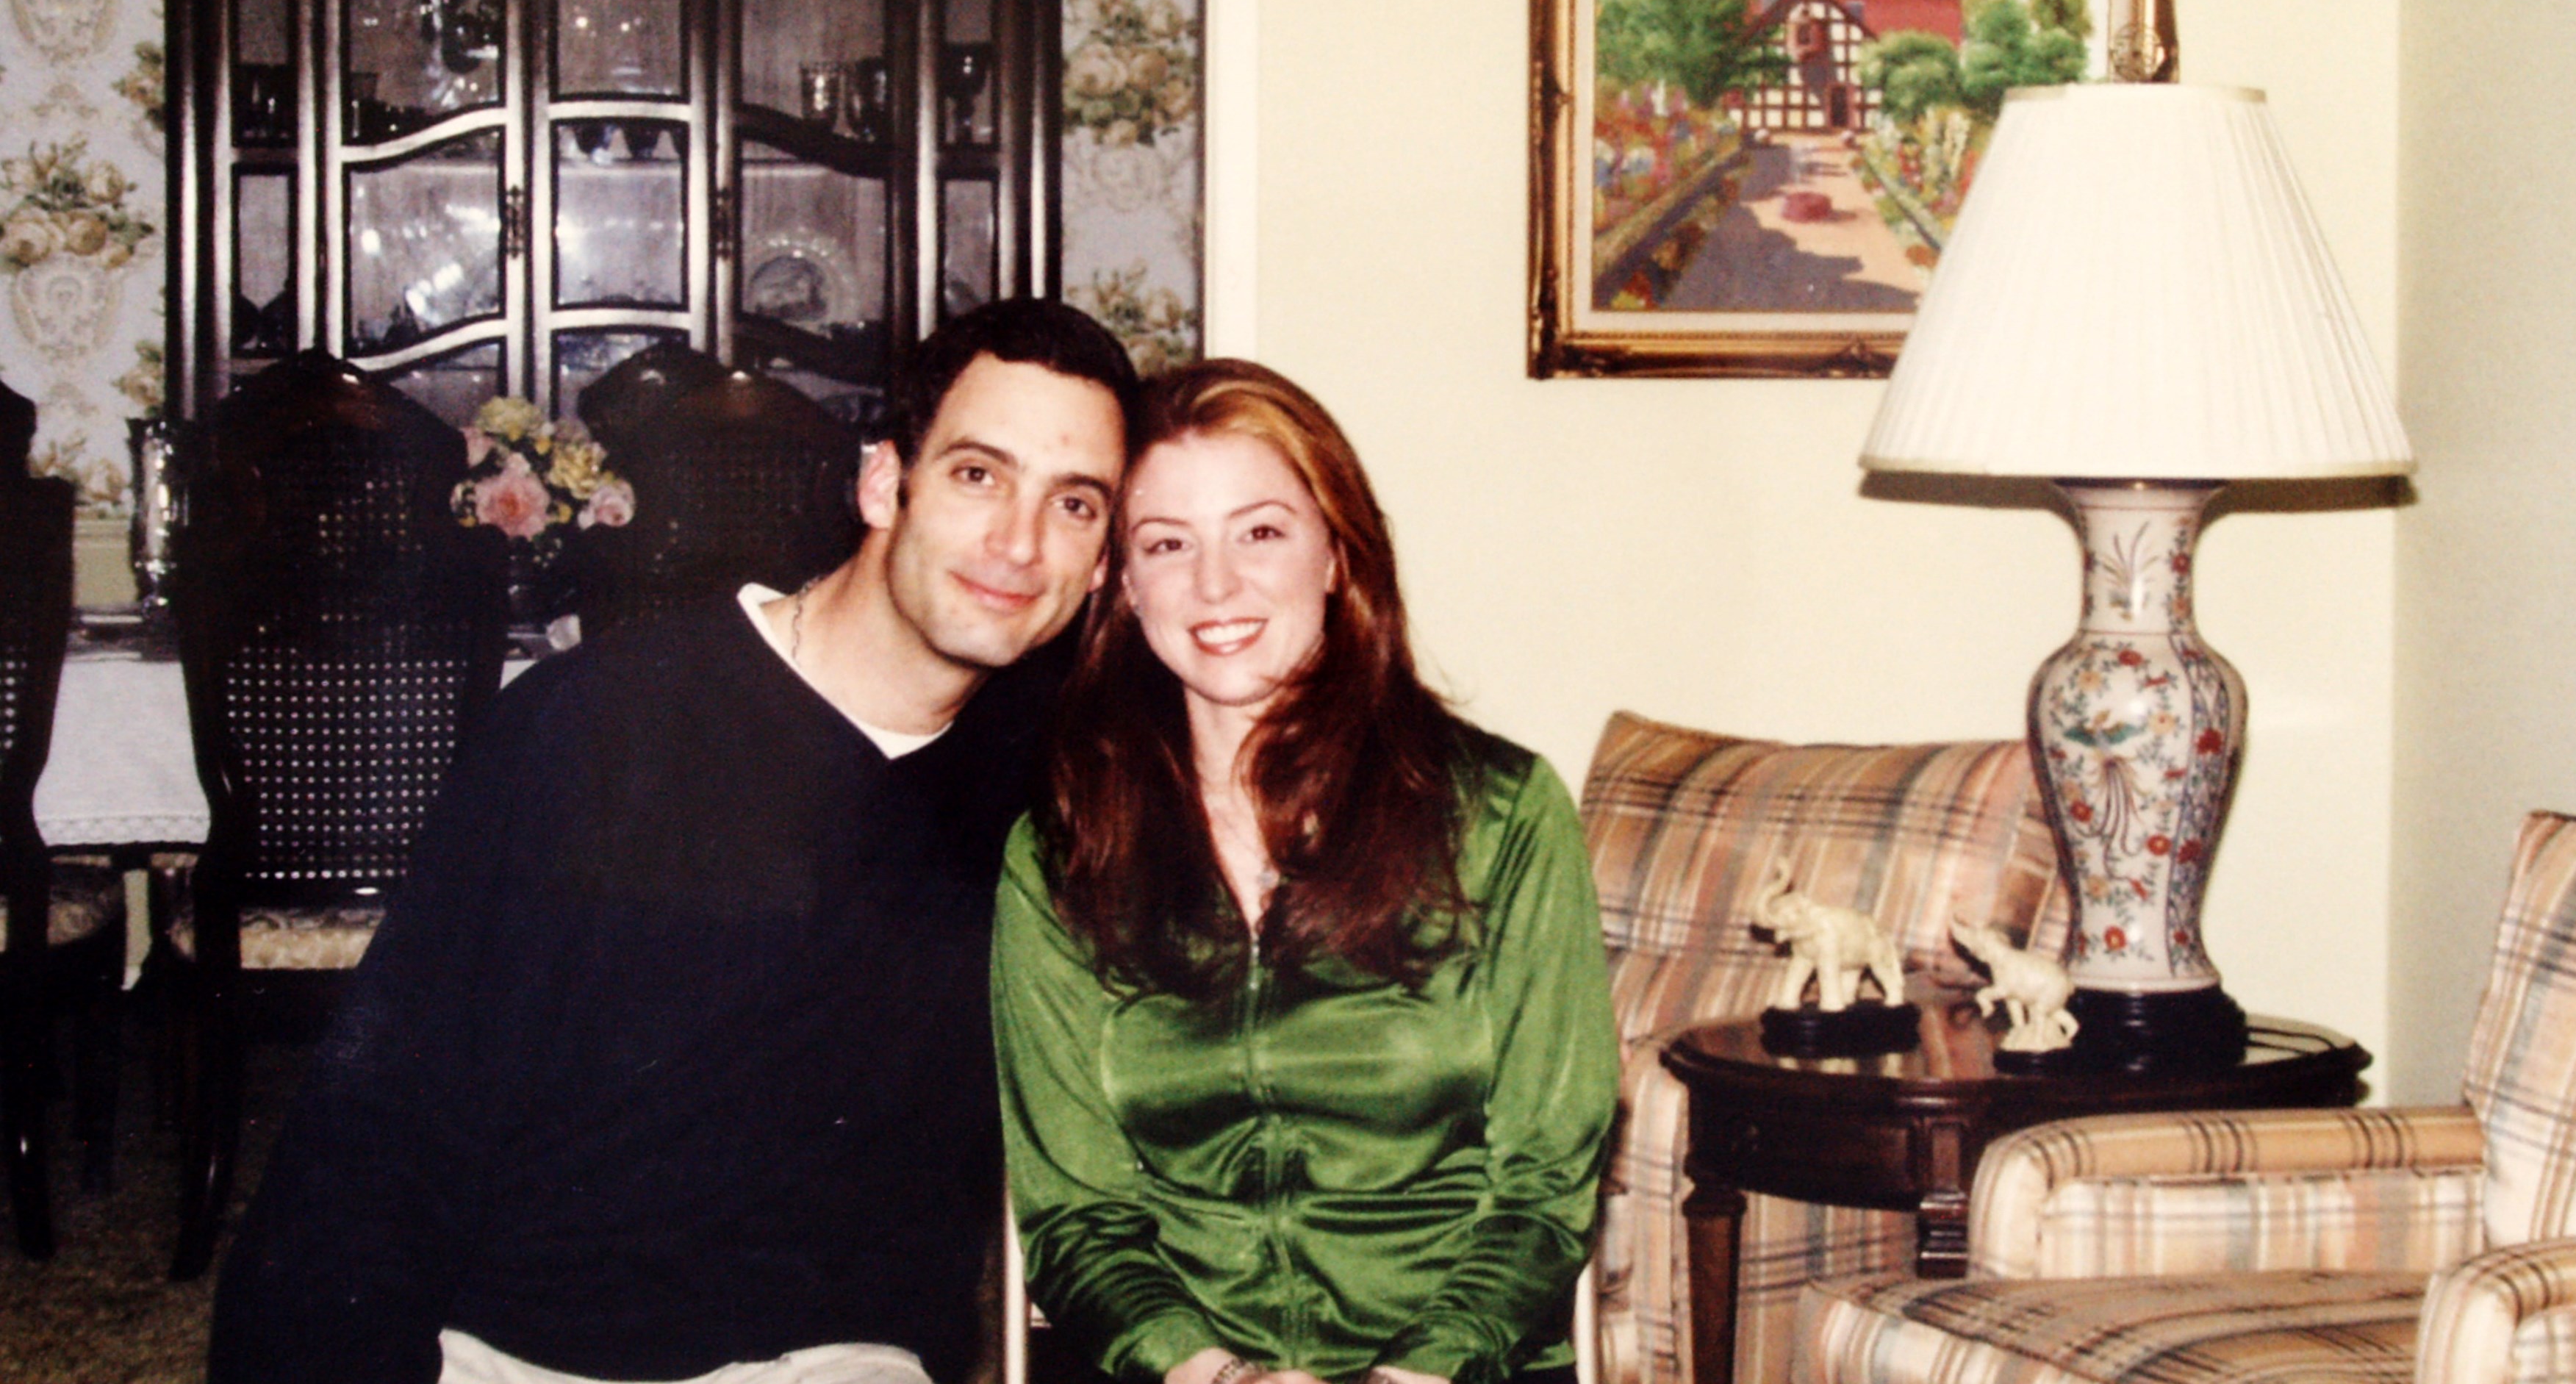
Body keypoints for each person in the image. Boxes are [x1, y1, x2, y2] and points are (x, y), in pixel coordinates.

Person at [209, 300, 1140, 1384]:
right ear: (885, 484)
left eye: (1074, 504)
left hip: (836, 1356)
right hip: (526, 1347)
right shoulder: (601, 724)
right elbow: (377, 1133)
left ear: (1102, 561)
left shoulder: (1051, 785)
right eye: (979, 475)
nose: (1019, 544)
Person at [993, 360, 1619, 1384]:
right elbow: (1075, 1212)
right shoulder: (1064, 852)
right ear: (1124, 583)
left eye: (1261, 532)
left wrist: (1410, 1373)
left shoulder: (1500, 815)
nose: (1215, 585)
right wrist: (1216, 1374)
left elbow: (1545, 1186)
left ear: (1336, 553)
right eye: (1167, 543)